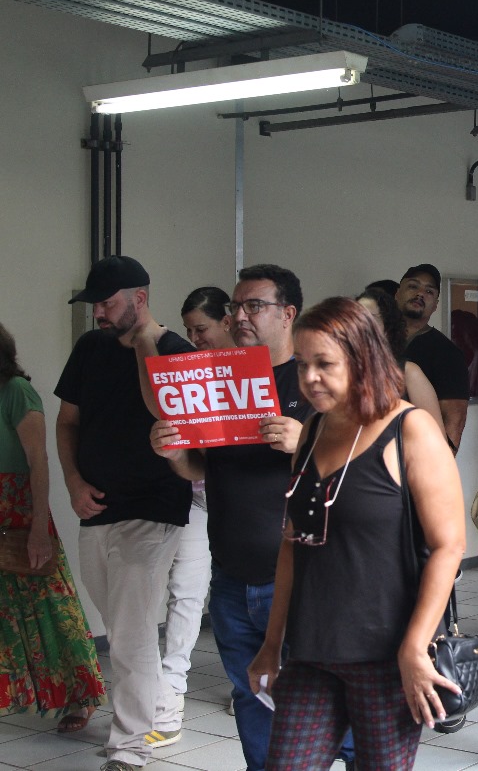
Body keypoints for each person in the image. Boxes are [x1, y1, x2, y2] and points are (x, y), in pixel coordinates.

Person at [246, 297, 466, 769]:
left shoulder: (410, 429)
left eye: (324, 364)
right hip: (310, 648)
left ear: (362, 358)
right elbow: (292, 544)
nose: (309, 378)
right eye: (303, 365)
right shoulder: (311, 431)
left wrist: (413, 647)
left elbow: (450, 545)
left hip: (385, 654)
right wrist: (271, 643)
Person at [147, 265, 327, 771]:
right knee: (250, 695)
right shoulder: (219, 378)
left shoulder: (315, 380)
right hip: (229, 575)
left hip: (296, 575)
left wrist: (303, 442)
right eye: (235, 307)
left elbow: (355, 467)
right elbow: (201, 468)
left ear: (288, 314)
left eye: (255, 306)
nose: (240, 316)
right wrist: (173, 451)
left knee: (306, 697)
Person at [55, 255, 195, 771]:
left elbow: (163, 408)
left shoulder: (176, 350)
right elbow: (67, 421)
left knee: (131, 632)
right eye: (94, 304)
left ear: (140, 297)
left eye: (107, 303)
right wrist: (72, 481)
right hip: (96, 507)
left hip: (154, 507)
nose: (98, 314)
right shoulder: (90, 348)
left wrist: (144, 344)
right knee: (118, 622)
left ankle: (129, 747)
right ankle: (155, 708)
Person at [0, 323, 106, 729]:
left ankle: (82, 697)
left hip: (21, 513)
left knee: (51, 606)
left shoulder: (16, 392)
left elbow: (37, 461)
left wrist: (40, 528)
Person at [158, 289, 229, 702]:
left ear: (226, 320)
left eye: (200, 328)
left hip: (244, 501)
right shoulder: (188, 372)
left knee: (249, 597)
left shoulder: (251, 368)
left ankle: (253, 684)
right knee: (185, 592)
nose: (194, 337)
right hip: (199, 494)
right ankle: (170, 694)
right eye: (187, 330)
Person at [396, 264, 471, 451]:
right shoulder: (374, 341)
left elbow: (454, 422)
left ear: (436, 305)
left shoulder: (446, 353)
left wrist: (439, 470)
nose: (420, 294)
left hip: (414, 460)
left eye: (429, 291)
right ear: (397, 293)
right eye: (413, 286)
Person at [357, 288, 445, 433]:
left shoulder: (409, 373)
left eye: (369, 318)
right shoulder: (340, 372)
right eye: (354, 317)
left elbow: (438, 442)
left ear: (387, 327)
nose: (359, 324)